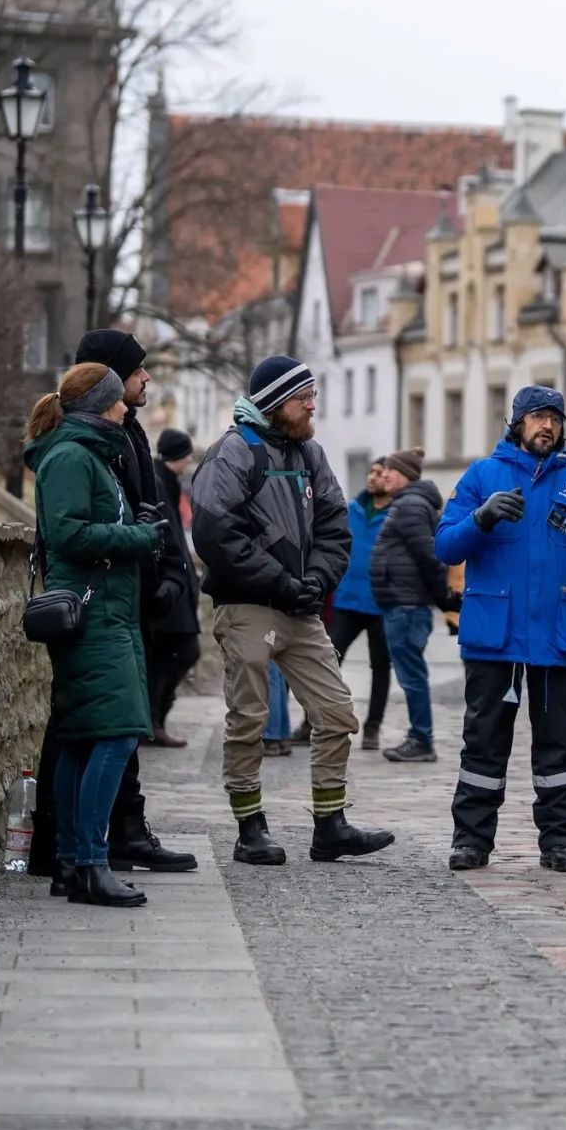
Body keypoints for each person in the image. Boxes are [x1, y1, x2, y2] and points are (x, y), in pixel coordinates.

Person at [190, 355, 396, 865]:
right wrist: (281, 583)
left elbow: (333, 525)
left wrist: (317, 581)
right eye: (303, 398)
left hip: (299, 607)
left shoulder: (311, 455)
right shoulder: (233, 453)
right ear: (275, 402)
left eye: (312, 397)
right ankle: (250, 828)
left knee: (336, 713)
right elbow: (216, 536)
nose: (311, 406)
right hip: (248, 607)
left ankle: (330, 824)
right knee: (249, 720)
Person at [27, 330, 197, 879]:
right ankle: (87, 858)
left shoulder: (99, 449)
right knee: (113, 731)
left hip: (113, 607)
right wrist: (140, 540)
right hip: (93, 609)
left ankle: (80, 857)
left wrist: (150, 548)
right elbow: (71, 535)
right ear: (104, 400)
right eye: (133, 379)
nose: (142, 386)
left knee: (91, 732)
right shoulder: (75, 455)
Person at [436, 386, 566, 872]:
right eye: (538, 417)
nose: (548, 426)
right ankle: (471, 840)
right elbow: (446, 548)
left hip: (558, 638)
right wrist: (481, 517)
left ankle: (560, 841)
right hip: (494, 638)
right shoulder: (482, 475)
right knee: (483, 741)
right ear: (517, 423)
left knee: (560, 743)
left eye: (555, 419)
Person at [367, 446, 456, 762]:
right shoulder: (409, 504)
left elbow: (429, 556)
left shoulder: (410, 507)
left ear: (404, 475)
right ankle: (420, 737)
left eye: (390, 470)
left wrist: (443, 597)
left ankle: (421, 739)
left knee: (412, 675)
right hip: (402, 603)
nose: (384, 474)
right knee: (411, 673)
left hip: (406, 605)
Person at [322, 458, 398, 751]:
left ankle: (372, 728)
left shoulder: (398, 514)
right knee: (326, 662)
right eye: (371, 472)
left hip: (381, 605)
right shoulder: (351, 510)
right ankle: (315, 721)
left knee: (380, 667)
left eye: (380, 473)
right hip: (347, 601)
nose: (373, 477)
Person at [142, 428, 202, 748]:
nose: (190, 459)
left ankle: (155, 718)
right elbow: (166, 535)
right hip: (168, 583)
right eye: (187, 454)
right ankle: (153, 719)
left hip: (175, 582)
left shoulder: (166, 480)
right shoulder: (158, 480)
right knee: (177, 651)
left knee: (175, 652)